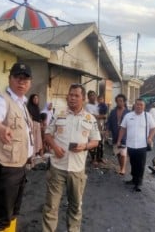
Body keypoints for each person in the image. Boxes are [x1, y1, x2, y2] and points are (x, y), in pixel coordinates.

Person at [0, 62, 34, 232]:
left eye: (25, 79)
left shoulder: (22, 104)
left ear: (30, 83)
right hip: (5, 168)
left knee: (12, 213)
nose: (21, 82)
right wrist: (1, 128)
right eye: (17, 78)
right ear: (9, 79)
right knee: (0, 217)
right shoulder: (2, 100)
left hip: (19, 166)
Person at [42, 83, 101, 232]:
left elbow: (96, 140)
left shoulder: (90, 119)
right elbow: (47, 134)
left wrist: (85, 146)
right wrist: (55, 147)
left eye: (76, 95)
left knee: (75, 207)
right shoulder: (58, 114)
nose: (72, 98)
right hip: (57, 168)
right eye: (71, 95)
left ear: (83, 99)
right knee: (51, 206)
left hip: (77, 170)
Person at [116, 98, 155, 192]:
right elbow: (123, 128)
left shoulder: (148, 116)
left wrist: (150, 138)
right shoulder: (128, 116)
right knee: (133, 163)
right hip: (130, 144)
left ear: (144, 106)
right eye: (137, 104)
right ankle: (134, 179)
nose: (139, 106)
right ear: (135, 105)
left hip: (142, 145)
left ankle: (138, 183)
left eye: (141, 105)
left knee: (140, 164)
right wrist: (119, 140)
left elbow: (154, 128)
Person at [106, 94, 130, 175]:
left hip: (124, 135)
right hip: (115, 134)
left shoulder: (128, 113)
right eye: (118, 101)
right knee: (118, 152)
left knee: (123, 152)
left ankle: (123, 169)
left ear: (124, 102)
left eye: (121, 101)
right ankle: (121, 167)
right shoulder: (113, 112)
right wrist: (107, 130)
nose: (119, 103)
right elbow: (109, 122)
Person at [85, 90, 106, 166]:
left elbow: (104, 112)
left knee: (101, 142)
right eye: (90, 96)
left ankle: (100, 158)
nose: (92, 97)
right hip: (93, 126)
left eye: (94, 95)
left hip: (101, 125)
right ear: (88, 97)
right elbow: (92, 116)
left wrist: (103, 116)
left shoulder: (98, 104)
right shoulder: (87, 106)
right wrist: (102, 116)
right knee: (93, 142)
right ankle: (93, 159)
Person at [27, 94, 44, 158]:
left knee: (37, 140)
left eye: (37, 98)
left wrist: (40, 124)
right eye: (34, 98)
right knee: (32, 140)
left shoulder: (37, 108)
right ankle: (32, 155)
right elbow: (29, 117)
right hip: (32, 125)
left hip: (37, 125)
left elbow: (38, 117)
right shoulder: (29, 107)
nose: (36, 100)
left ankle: (36, 154)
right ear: (32, 99)